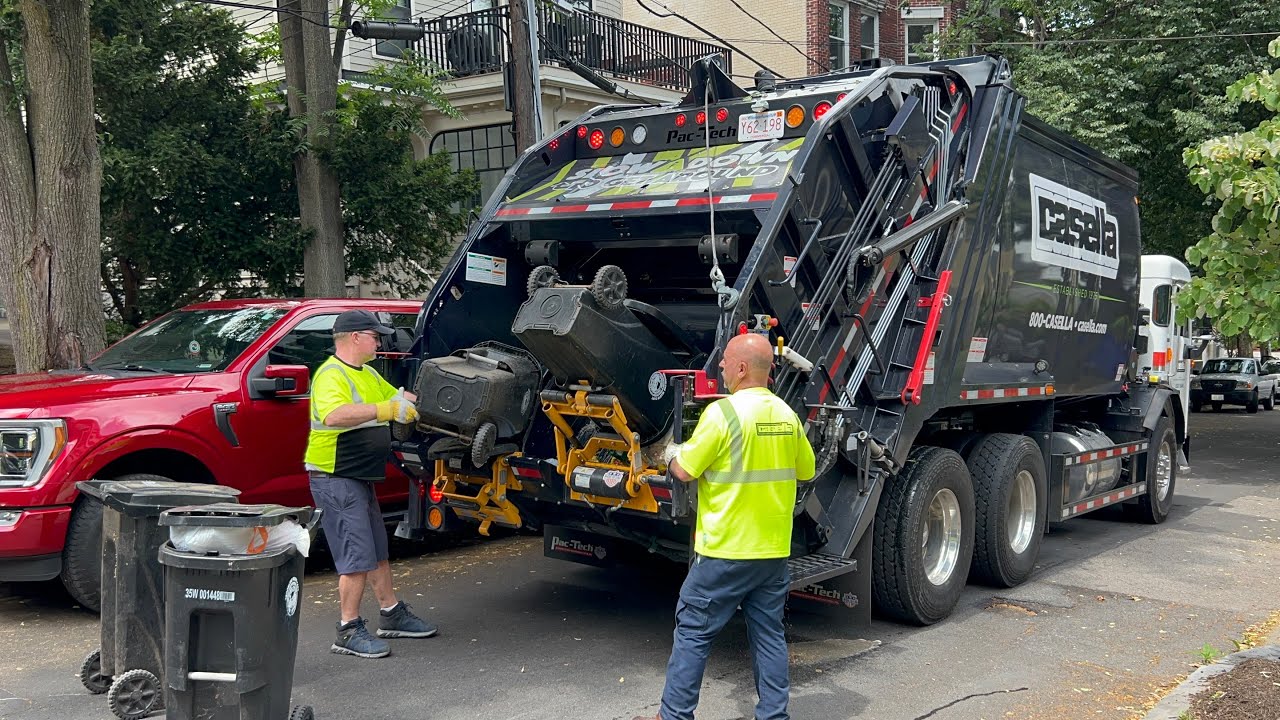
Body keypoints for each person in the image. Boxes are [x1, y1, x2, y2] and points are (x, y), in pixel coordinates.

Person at [635, 332, 816, 720]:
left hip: (724, 552)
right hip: (771, 554)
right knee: (768, 635)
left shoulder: (723, 414)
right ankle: (773, 715)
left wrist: (667, 454)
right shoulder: (787, 416)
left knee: (693, 633)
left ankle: (674, 716)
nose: (719, 366)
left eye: (725, 361)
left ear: (741, 368)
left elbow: (684, 470)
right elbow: (807, 470)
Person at [304, 309, 436, 659]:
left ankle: (391, 613)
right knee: (356, 555)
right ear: (355, 338)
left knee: (377, 549)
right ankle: (347, 629)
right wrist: (385, 411)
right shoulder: (330, 375)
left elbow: (399, 400)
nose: (380, 341)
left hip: (359, 475)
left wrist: (426, 404)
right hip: (335, 477)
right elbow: (334, 415)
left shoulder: (368, 374)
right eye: (375, 335)